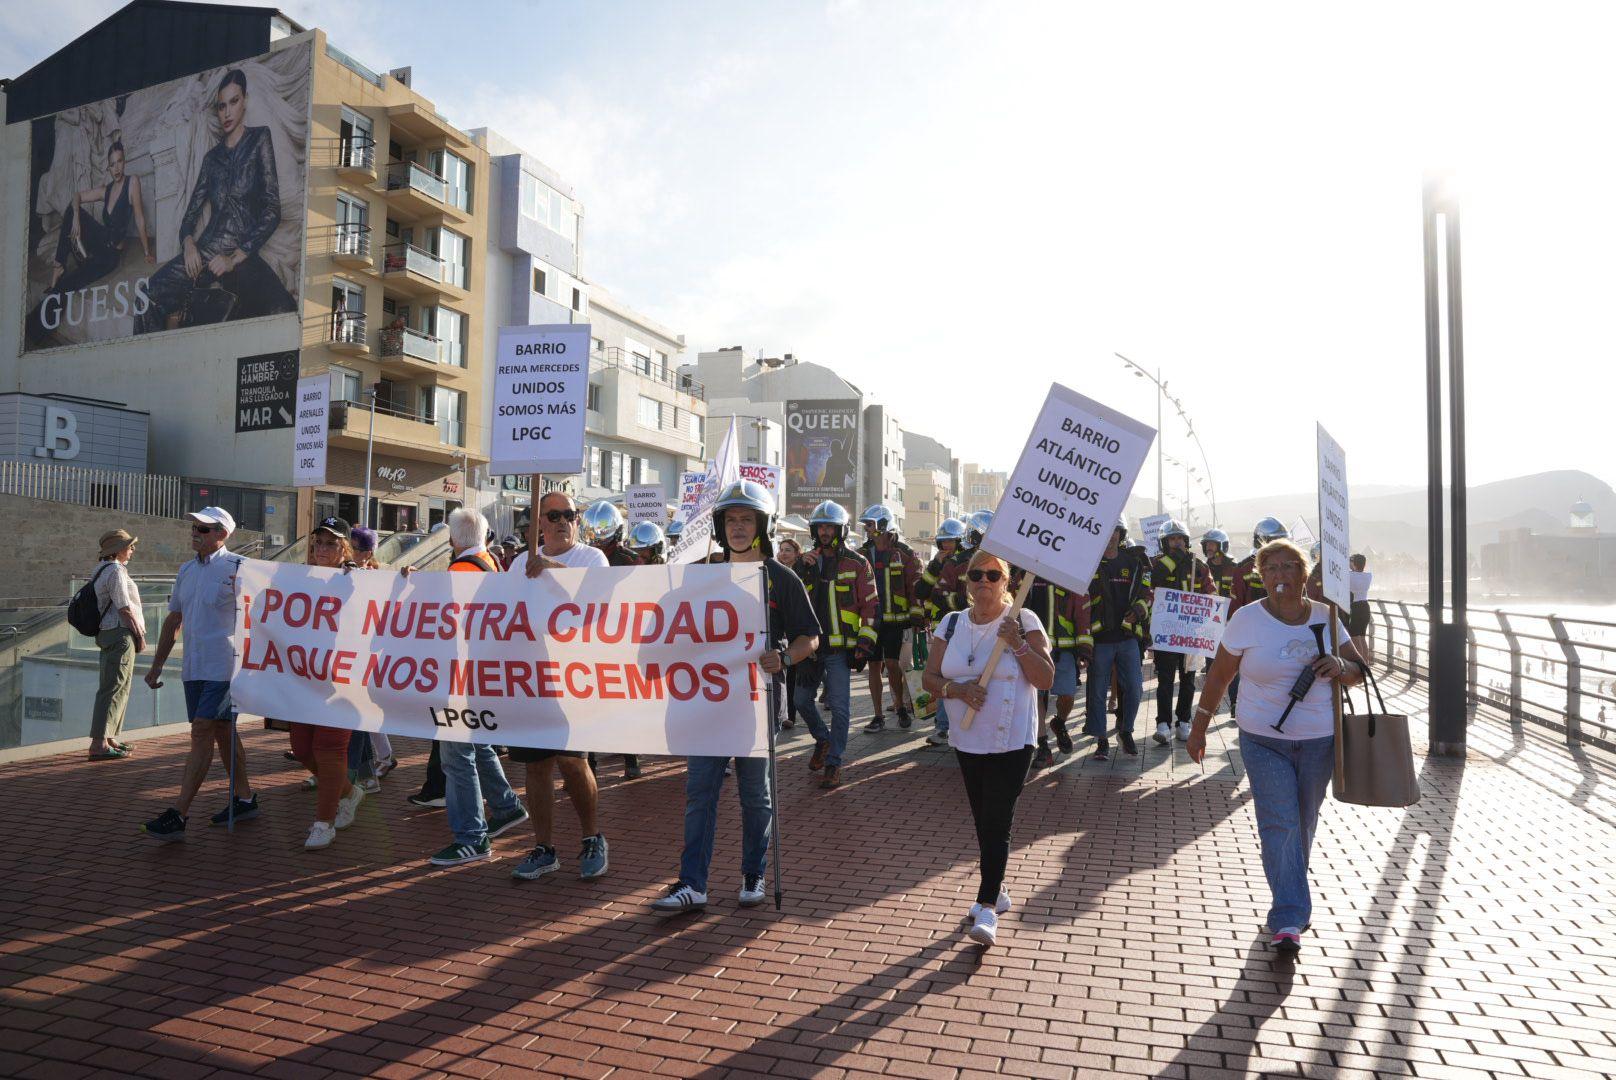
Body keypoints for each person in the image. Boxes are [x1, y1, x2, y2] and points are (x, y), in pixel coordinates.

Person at [1187, 538, 1366, 958]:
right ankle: (1288, 916)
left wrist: (1340, 666)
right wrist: (1199, 726)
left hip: (1320, 740)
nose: (1280, 575)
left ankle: (1290, 887)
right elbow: (1219, 676)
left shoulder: (1328, 616)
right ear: (1261, 577)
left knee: (1303, 821)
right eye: (1271, 569)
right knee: (1280, 822)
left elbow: (1360, 670)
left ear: (1305, 575)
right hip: (1262, 738)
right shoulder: (1247, 620)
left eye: (1289, 567)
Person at [651, 481, 821, 914]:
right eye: (731, 520)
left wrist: (784, 656)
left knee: (755, 795)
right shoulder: (701, 576)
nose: (739, 527)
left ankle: (753, 872)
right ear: (719, 526)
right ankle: (693, 883)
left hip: (756, 701)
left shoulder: (780, 578)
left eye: (747, 519)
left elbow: (811, 638)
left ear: (760, 526)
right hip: (706, 702)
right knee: (700, 792)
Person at [921, 548, 1054, 948]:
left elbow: (1045, 678)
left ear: (1007, 581)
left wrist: (1018, 645)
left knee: (997, 819)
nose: (983, 583)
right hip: (967, 738)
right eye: (976, 575)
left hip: (1012, 739)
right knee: (983, 819)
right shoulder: (951, 623)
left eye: (993, 576)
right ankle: (997, 890)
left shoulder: (1024, 620)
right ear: (966, 582)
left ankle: (986, 907)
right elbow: (929, 677)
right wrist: (955, 689)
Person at [135, 69, 294, 335]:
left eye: (234, 102)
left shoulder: (259, 139)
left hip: (243, 254)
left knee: (284, 310)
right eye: (222, 106)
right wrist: (188, 245)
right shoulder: (211, 159)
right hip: (206, 252)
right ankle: (146, 366)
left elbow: (272, 210)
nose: (227, 112)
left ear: (245, 101)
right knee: (147, 294)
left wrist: (234, 258)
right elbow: (189, 217)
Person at [510, 489, 611, 882]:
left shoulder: (591, 557)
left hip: (575, 678)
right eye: (553, 516)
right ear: (538, 523)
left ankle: (592, 837)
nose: (562, 521)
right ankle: (544, 847)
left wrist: (552, 567)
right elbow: (495, 607)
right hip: (532, 677)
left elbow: (600, 595)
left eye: (569, 514)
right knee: (536, 767)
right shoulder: (520, 561)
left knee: (572, 761)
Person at [140, 508, 255, 840]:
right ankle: (246, 798)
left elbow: (268, 609)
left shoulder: (240, 568)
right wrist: (157, 664)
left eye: (202, 529)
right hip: (194, 668)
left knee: (202, 731)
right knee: (222, 733)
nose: (194, 533)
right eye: (194, 527)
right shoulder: (185, 570)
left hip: (225, 665)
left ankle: (179, 813)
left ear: (222, 534)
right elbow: (173, 620)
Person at [427, 508, 530, 866]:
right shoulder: (491, 565)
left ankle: (471, 836)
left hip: (461, 676)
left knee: (456, 757)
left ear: (453, 540)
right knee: (479, 743)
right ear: (484, 537)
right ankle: (505, 805)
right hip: (482, 674)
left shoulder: (459, 572)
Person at [290, 517, 365, 849]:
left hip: (342, 679)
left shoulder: (358, 580)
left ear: (344, 548)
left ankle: (323, 823)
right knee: (302, 748)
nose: (322, 549)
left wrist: (407, 579)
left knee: (330, 749)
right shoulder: (301, 580)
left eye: (330, 543)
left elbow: (390, 603)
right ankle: (349, 791)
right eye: (318, 543)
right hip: (306, 678)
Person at [794, 500, 879, 789]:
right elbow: (792, 605)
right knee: (800, 700)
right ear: (814, 530)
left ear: (840, 530)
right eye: (821, 527)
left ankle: (834, 763)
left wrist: (864, 645)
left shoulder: (858, 563)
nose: (825, 532)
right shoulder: (805, 563)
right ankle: (823, 740)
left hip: (841, 651)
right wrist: (798, 569)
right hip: (811, 648)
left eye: (830, 526)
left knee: (841, 710)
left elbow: (871, 607)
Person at [1084, 518, 1152, 760]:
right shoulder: (1087, 561)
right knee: (1097, 691)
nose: (1110, 535)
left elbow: (1146, 592)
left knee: (1134, 687)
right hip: (1100, 639)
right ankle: (1101, 739)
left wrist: (1139, 611)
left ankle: (1126, 731)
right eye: (1105, 529)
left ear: (1121, 534)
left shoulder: (1133, 563)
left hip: (1127, 638)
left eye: (1115, 530)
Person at [1150, 519, 1216, 745]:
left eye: (1180, 538)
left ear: (1186, 540)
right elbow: (1154, 582)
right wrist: (1173, 559)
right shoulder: (1158, 563)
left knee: (1188, 680)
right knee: (1165, 680)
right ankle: (1163, 724)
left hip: (1192, 633)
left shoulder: (1199, 565)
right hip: (1167, 632)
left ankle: (1184, 723)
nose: (1176, 543)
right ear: (1164, 543)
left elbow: (1211, 594)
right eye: (1172, 539)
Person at [1015, 568, 1090, 766]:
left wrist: (1085, 649)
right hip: (1033, 648)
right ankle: (1043, 746)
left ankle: (1059, 722)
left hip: (1064, 648)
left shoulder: (1071, 576)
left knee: (1067, 695)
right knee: (1037, 696)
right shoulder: (1025, 572)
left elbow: (1083, 613)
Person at [858, 505, 922, 732]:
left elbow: (915, 588)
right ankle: (877, 716)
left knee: (894, 665)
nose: (866, 529)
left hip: (897, 621)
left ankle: (900, 706)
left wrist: (916, 619)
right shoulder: (862, 554)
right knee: (873, 665)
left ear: (883, 525)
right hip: (871, 621)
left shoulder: (905, 553)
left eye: (870, 524)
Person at [87, 530, 145, 761]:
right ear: (118, 549)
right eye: (129, 546)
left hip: (109, 633)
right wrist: (139, 635)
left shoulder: (100, 569)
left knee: (117, 686)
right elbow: (124, 607)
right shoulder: (116, 570)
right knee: (113, 687)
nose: (132, 550)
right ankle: (99, 743)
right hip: (120, 633)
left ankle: (109, 737)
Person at [1228, 517, 1290, 719]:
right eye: (1274, 542)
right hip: (1252, 634)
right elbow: (1235, 605)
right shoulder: (1244, 568)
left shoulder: (1293, 569)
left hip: (1283, 630)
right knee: (1248, 674)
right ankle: (1241, 706)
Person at [918, 517, 968, 746]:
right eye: (943, 542)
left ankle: (953, 726)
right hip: (940, 627)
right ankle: (941, 727)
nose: (946, 546)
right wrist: (935, 566)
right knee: (939, 675)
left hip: (962, 625)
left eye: (950, 542)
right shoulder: (937, 563)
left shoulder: (964, 563)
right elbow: (922, 590)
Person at [775, 537, 805, 730]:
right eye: (782, 549)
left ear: (796, 553)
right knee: (786, 671)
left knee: (793, 672)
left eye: (788, 550)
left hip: (798, 629)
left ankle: (791, 714)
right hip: (782, 629)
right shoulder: (775, 572)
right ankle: (787, 714)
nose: (784, 553)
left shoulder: (802, 572)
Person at [1348, 554, 1374, 663]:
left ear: (1354, 563)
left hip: (1355, 607)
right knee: (1362, 637)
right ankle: (1366, 663)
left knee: (1355, 637)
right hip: (1365, 607)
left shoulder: (1350, 576)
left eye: (1351, 561)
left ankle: (1361, 665)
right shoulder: (1368, 576)